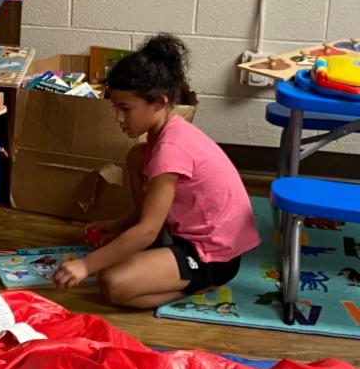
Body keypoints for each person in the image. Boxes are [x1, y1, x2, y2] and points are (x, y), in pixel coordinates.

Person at [53, 34, 260, 307]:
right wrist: (120, 224)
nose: (118, 118)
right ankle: (162, 260)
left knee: (113, 282)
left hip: (213, 255)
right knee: (137, 156)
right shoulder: (166, 132)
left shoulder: (170, 150)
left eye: (126, 109)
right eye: (115, 108)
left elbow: (147, 232)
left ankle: (200, 282)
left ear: (160, 103)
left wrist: (85, 265)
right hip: (190, 235)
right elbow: (149, 216)